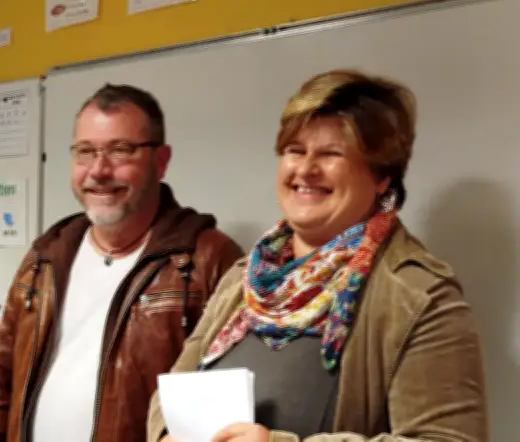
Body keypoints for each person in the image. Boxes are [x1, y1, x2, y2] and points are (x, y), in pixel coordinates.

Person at [147, 69, 489, 442]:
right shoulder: (246, 277)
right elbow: (170, 395)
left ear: (382, 176)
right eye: (295, 150)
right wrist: (168, 435)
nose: (306, 170)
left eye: (331, 154)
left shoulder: (419, 294)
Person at [0, 84, 244, 442]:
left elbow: (222, 415)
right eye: (85, 152)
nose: (98, 170)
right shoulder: (46, 255)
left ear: (161, 161)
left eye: (120, 150)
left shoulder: (208, 260)